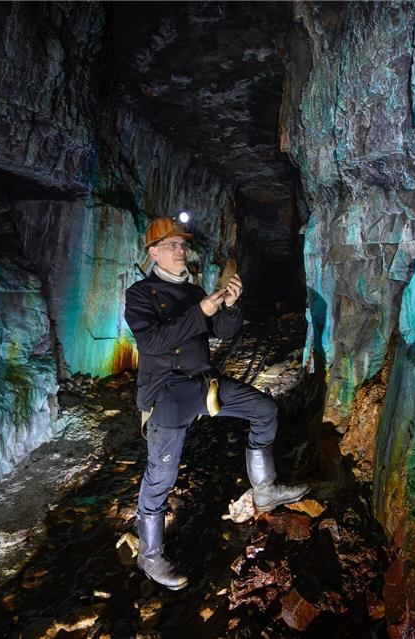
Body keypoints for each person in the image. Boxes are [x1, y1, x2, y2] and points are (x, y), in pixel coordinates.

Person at [125, 216, 309, 590]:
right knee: (161, 474)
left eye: (182, 245)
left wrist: (228, 306)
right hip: (167, 392)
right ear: (154, 252)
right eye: (173, 245)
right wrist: (202, 311)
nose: (181, 250)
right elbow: (153, 344)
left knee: (265, 410)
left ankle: (264, 489)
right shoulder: (140, 294)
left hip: (203, 384)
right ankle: (150, 555)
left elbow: (221, 333)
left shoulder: (193, 292)